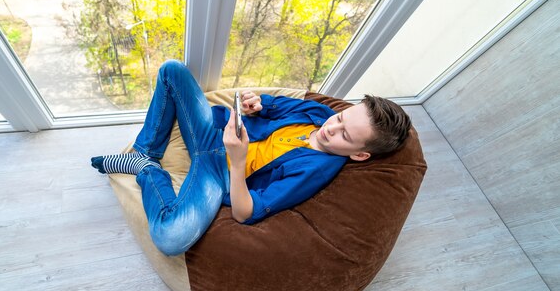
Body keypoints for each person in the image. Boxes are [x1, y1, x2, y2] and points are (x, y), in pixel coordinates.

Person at [91, 60, 411, 256]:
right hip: (214, 130)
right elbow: (273, 105)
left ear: (359, 154)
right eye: (342, 118)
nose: (332, 128)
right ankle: (147, 151)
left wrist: (238, 160)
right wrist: (256, 103)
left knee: (171, 237)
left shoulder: (316, 172)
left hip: (217, 175)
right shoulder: (321, 113)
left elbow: (246, 213)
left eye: (345, 135)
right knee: (171, 70)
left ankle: (146, 170)